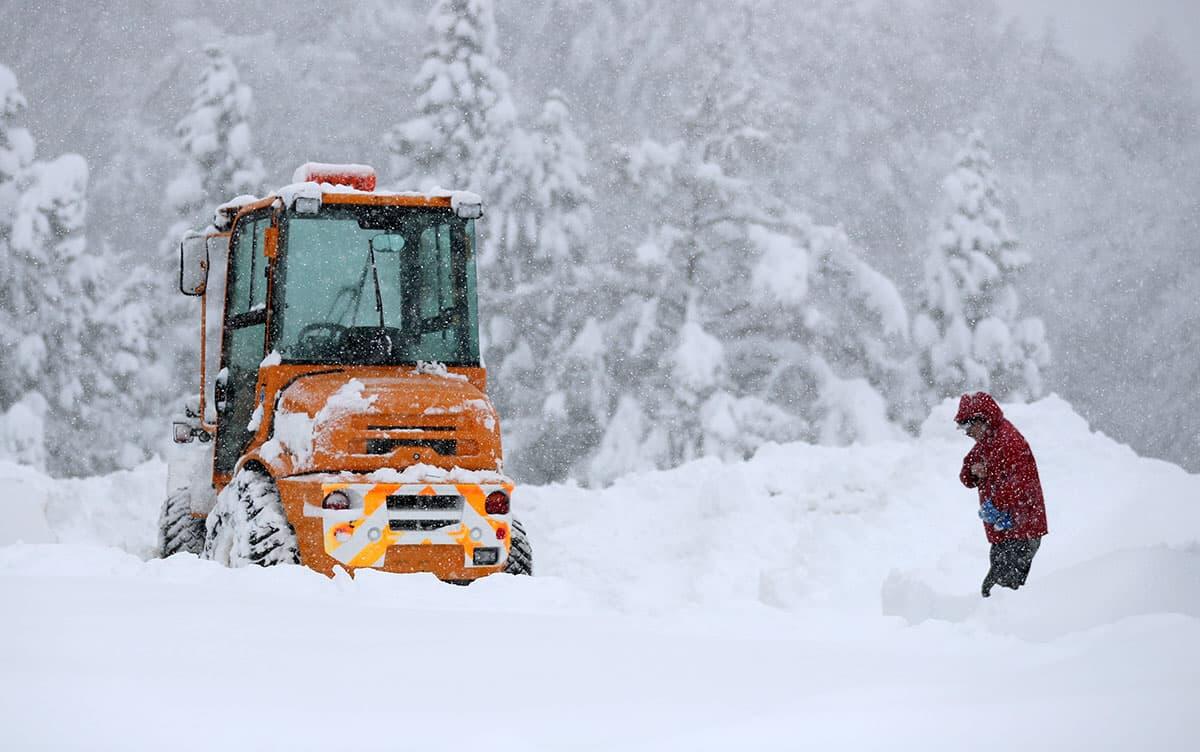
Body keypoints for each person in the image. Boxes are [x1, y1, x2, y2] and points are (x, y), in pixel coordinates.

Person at [956, 391, 1048, 597]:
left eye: (968, 427)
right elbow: (966, 475)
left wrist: (995, 505)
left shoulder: (1008, 440)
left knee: (999, 592)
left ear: (981, 420)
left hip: (1022, 530)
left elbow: (1020, 483)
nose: (967, 433)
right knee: (998, 592)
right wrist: (973, 472)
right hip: (1006, 531)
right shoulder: (986, 441)